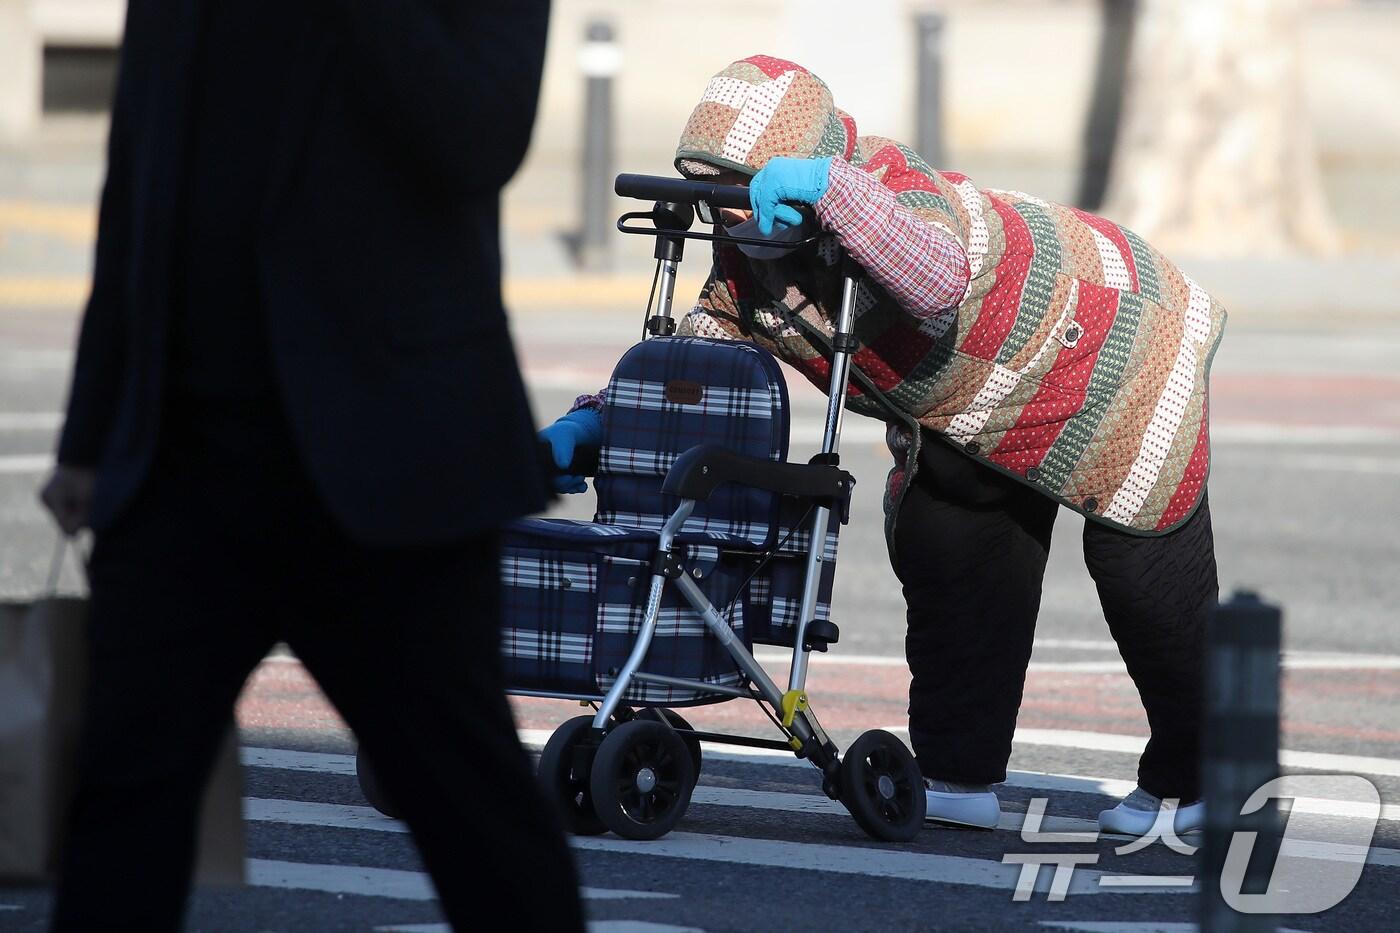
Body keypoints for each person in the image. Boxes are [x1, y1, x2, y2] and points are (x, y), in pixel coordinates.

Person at [540, 55, 1223, 836]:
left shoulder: (896, 192)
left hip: (1114, 345)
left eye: (738, 187)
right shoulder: (745, 262)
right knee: (949, 541)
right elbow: (694, 369)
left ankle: (1198, 776)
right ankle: (958, 771)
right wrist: (595, 423)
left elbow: (935, 278)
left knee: (1145, 574)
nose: (726, 216)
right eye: (711, 189)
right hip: (975, 408)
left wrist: (832, 192)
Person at [38, 2, 585, 930]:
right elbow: (137, 179)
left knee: (477, 823)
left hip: (388, 471)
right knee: (119, 824)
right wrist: (89, 436)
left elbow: (480, 137)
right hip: (182, 469)